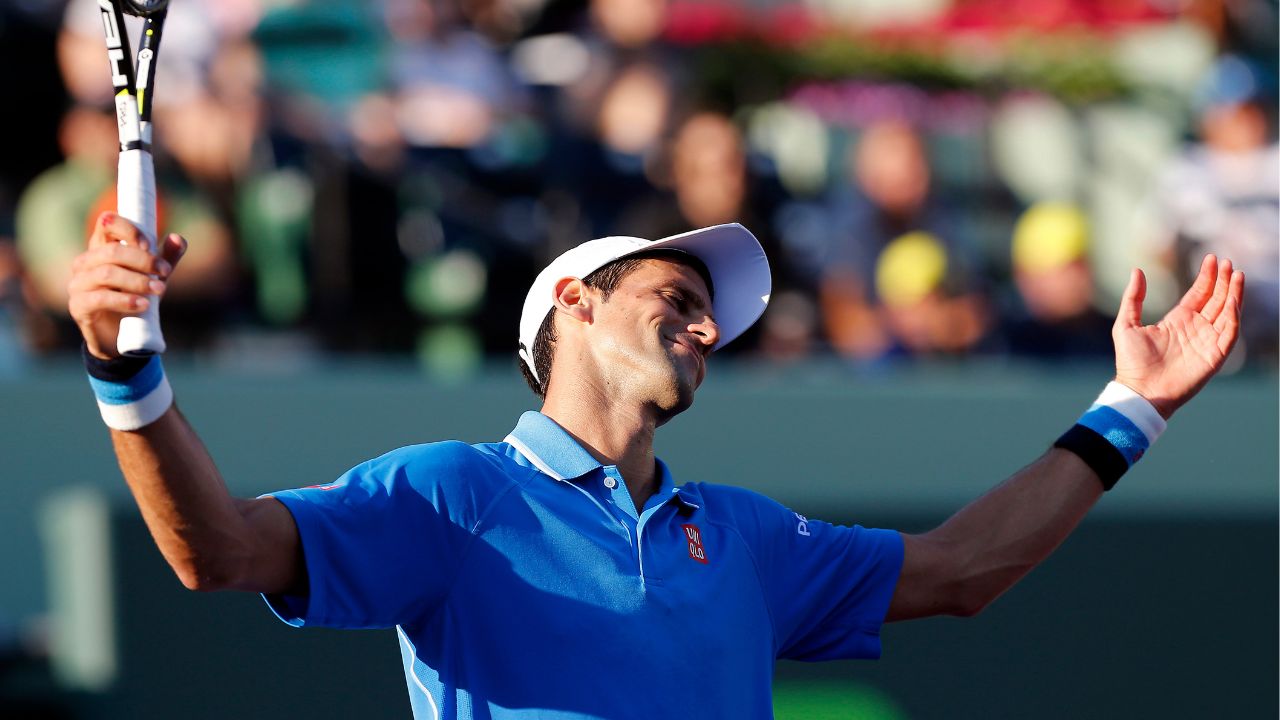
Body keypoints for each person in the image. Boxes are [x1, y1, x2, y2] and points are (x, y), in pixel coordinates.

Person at [67, 216, 1243, 719]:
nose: (699, 327)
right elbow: (211, 550)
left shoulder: (742, 537)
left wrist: (1130, 407)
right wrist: (128, 377)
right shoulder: (447, 494)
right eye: (673, 298)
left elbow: (966, 567)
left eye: (706, 317)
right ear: (574, 304)